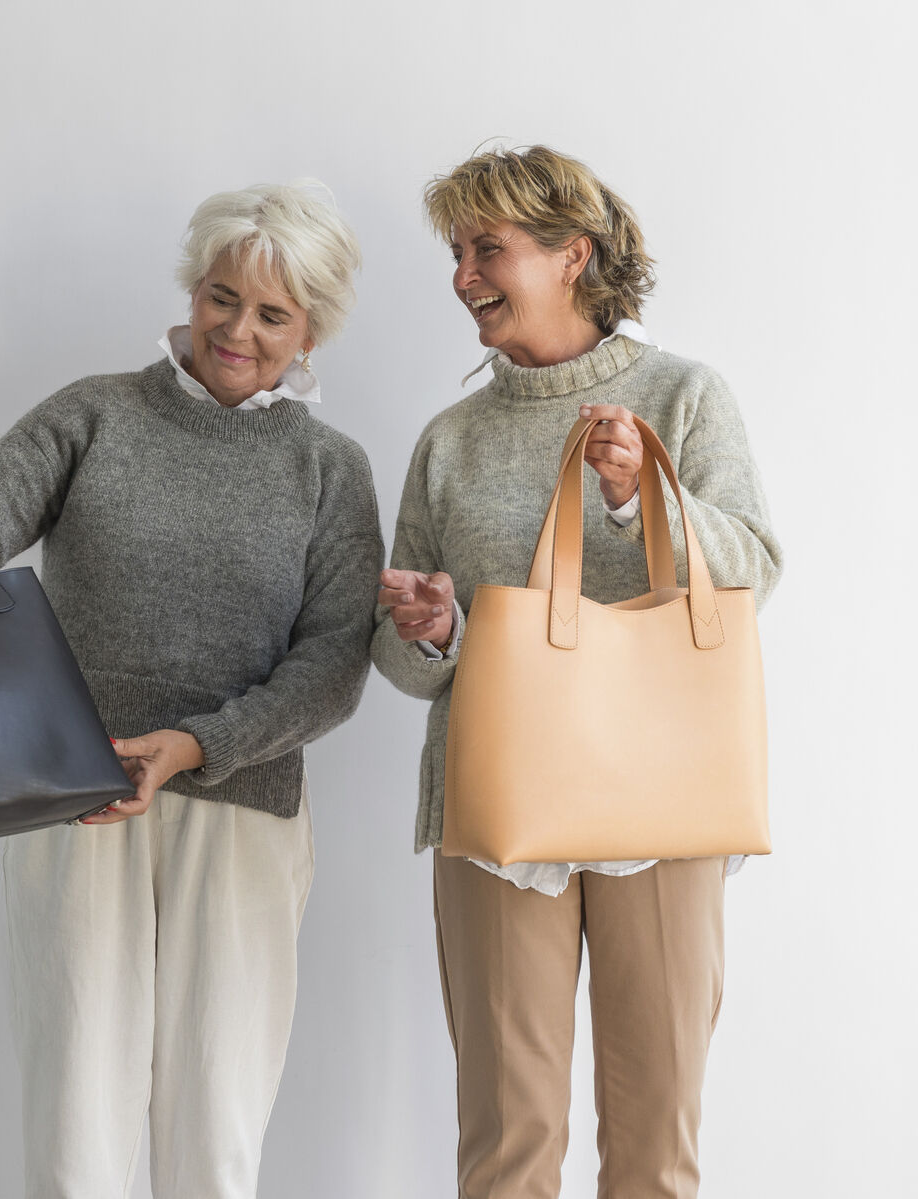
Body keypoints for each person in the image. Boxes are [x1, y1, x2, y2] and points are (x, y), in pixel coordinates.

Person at [0, 182, 383, 1199]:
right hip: (76, 797)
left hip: (245, 811)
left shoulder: (330, 468)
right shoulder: (95, 414)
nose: (238, 329)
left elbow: (332, 666)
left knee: (216, 1130)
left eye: (273, 314)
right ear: (193, 289)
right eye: (223, 295)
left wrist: (195, 742)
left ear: (311, 332)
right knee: (75, 1121)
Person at [371, 145, 783, 1199]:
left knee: (654, 1139)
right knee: (508, 1138)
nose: (464, 274)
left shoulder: (681, 397)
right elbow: (407, 667)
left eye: (487, 248)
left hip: (665, 801)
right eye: (457, 252)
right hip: (499, 808)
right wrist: (431, 628)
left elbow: (754, 571)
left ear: (572, 256)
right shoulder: (449, 440)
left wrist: (648, 500)